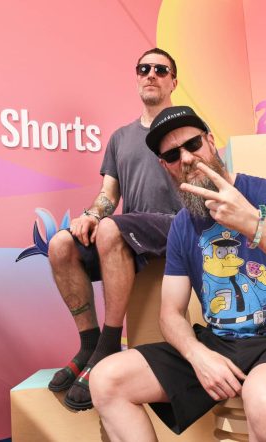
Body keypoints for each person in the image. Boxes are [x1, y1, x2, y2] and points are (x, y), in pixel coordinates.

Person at [90, 106, 266, 442]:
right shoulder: (182, 226)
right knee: (106, 380)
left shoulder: (265, 194)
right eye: (172, 155)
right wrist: (197, 355)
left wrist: (250, 221)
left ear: (211, 142)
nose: (186, 158)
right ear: (165, 166)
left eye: (192, 144)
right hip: (220, 342)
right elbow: (170, 314)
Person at [47, 48, 182, 411]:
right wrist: (91, 214)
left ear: (173, 81)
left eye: (160, 69)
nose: (151, 74)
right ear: (137, 76)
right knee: (61, 244)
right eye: (144, 68)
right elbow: (109, 194)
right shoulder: (120, 138)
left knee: (109, 229)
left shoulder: (187, 126)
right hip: (129, 232)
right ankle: (89, 343)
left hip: (176, 227)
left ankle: (108, 347)